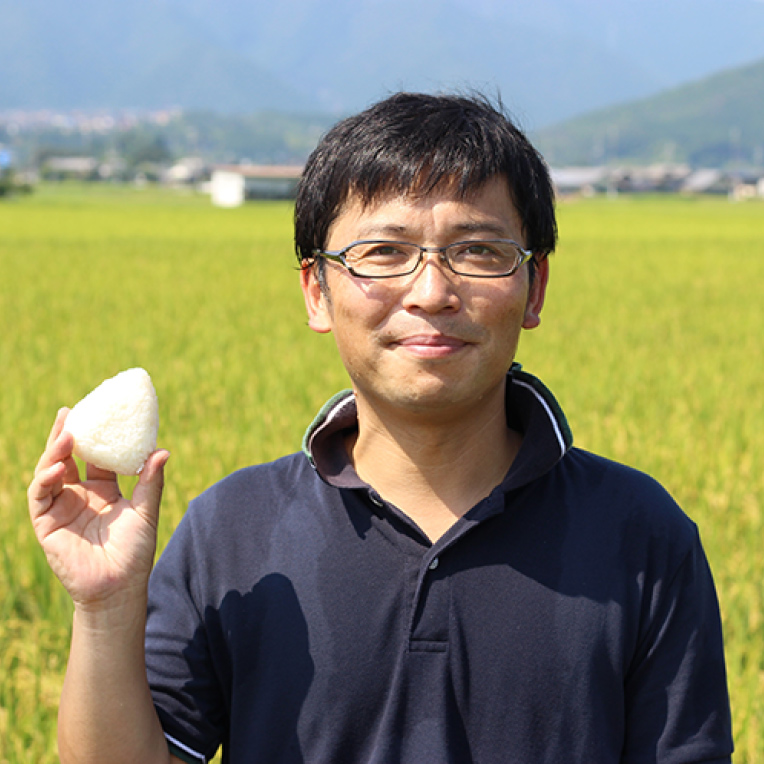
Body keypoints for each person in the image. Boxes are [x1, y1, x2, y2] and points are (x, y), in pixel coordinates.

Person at [29, 92, 733, 764]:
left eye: (478, 251)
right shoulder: (234, 532)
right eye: (384, 253)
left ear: (534, 287)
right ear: (316, 290)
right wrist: (105, 609)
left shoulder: (641, 537)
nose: (432, 291)